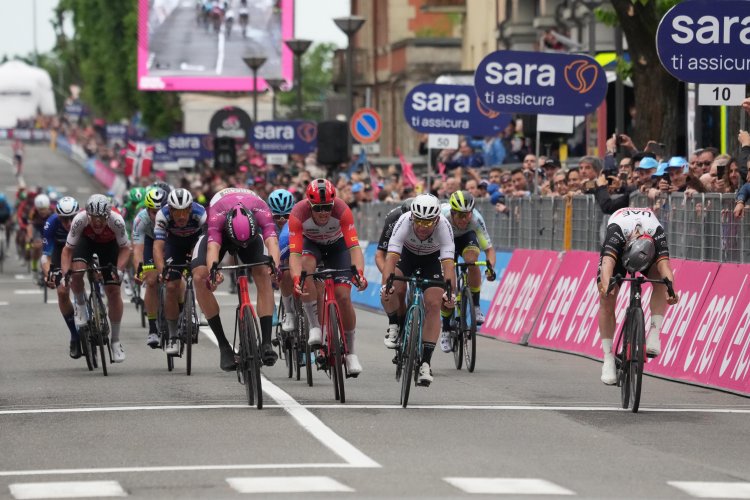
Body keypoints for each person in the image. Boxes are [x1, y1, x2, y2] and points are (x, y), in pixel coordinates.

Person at [192, 187, 280, 371]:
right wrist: (213, 272)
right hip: (221, 235)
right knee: (200, 277)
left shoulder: (261, 209)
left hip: (251, 234)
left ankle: (265, 343)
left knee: (265, 272)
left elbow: (272, 242)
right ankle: (224, 347)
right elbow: (213, 249)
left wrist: (275, 268)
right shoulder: (216, 215)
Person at [288, 179, 368, 377]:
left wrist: (359, 273)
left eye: (327, 207)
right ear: (309, 205)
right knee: (306, 268)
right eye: (318, 208)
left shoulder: (342, 210)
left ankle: (351, 353)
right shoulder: (298, 214)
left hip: (337, 247)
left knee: (343, 296)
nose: (324, 212)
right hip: (311, 245)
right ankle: (315, 325)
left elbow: (354, 248)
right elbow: (295, 254)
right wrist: (297, 277)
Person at [597, 207, 679, 385]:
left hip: (646, 247)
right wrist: (606, 286)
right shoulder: (617, 231)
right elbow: (607, 262)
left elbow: (665, 265)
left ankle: (655, 332)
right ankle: (608, 357)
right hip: (619, 255)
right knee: (606, 297)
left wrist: (671, 290)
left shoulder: (656, 232)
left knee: (660, 278)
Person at [380, 194, 456, 386]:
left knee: (434, 303)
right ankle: (394, 325)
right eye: (419, 221)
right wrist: (386, 286)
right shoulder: (404, 221)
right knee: (394, 287)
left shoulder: (444, 226)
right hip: (407, 255)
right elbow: (391, 257)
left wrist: (450, 292)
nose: (423, 227)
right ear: (413, 216)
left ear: (437, 219)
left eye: (428, 222)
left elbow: (448, 264)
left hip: (432, 259)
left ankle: (425, 363)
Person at [61, 194, 131, 363]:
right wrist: (65, 275)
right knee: (76, 273)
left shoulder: (117, 220)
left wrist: (119, 270)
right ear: (88, 215)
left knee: (114, 291)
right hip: (86, 242)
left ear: (107, 215)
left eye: (101, 218)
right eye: (94, 218)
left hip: (110, 246)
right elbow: (67, 250)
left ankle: (115, 341)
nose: (97, 222)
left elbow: (125, 249)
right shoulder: (80, 220)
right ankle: (81, 305)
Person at [434, 191, 497, 353]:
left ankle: (475, 305)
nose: (464, 219)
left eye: (467, 215)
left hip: (466, 238)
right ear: (453, 213)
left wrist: (491, 269)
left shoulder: (475, 219)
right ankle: (446, 329)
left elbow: (489, 250)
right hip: (445, 240)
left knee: (472, 262)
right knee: (449, 286)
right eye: (460, 216)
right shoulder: (441, 218)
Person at [153, 188, 207, 355]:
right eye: (177, 212)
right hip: (173, 245)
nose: (182, 216)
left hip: (196, 242)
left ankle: (203, 310)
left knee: (202, 274)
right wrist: (162, 271)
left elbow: (209, 241)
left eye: (185, 211)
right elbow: (158, 246)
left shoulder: (201, 214)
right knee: (171, 287)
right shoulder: (162, 216)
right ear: (170, 210)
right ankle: (173, 336)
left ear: (190, 209)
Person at [41, 197, 81, 358]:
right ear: (58, 216)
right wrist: (49, 274)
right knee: (62, 291)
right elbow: (46, 257)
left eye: (72, 217)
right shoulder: (51, 224)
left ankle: (96, 304)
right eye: (64, 219)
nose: (68, 222)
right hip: (59, 251)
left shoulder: (83, 221)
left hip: (80, 250)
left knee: (91, 273)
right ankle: (74, 335)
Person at [374, 198, 413, 344]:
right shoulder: (393, 219)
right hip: (398, 250)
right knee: (399, 289)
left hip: (421, 250)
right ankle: (396, 324)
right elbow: (380, 255)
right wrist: (388, 276)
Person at [132, 188, 167, 348]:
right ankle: (153, 328)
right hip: (150, 242)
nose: (157, 215)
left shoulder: (172, 216)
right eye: (153, 212)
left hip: (169, 241)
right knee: (151, 281)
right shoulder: (141, 219)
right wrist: (140, 271)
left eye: (160, 211)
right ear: (147, 210)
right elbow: (137, 250)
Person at [267, 188, 296, 332]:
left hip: (290, 249)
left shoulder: (298, 219)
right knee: (266, 269)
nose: (282, 220)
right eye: (277, 216)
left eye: (286, 216)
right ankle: (272, 305)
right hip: (272, 249)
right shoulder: (266, 222)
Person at [26, 194, 54, 276]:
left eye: (44, 209)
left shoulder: (53, 211)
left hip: (49, 229)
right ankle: (34, 266)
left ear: (48, 207)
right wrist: (31, 238)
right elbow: (30, 226)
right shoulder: (33, 212)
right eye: (40, 209)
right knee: (37, 246)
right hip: (38, 229)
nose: (42, 212)